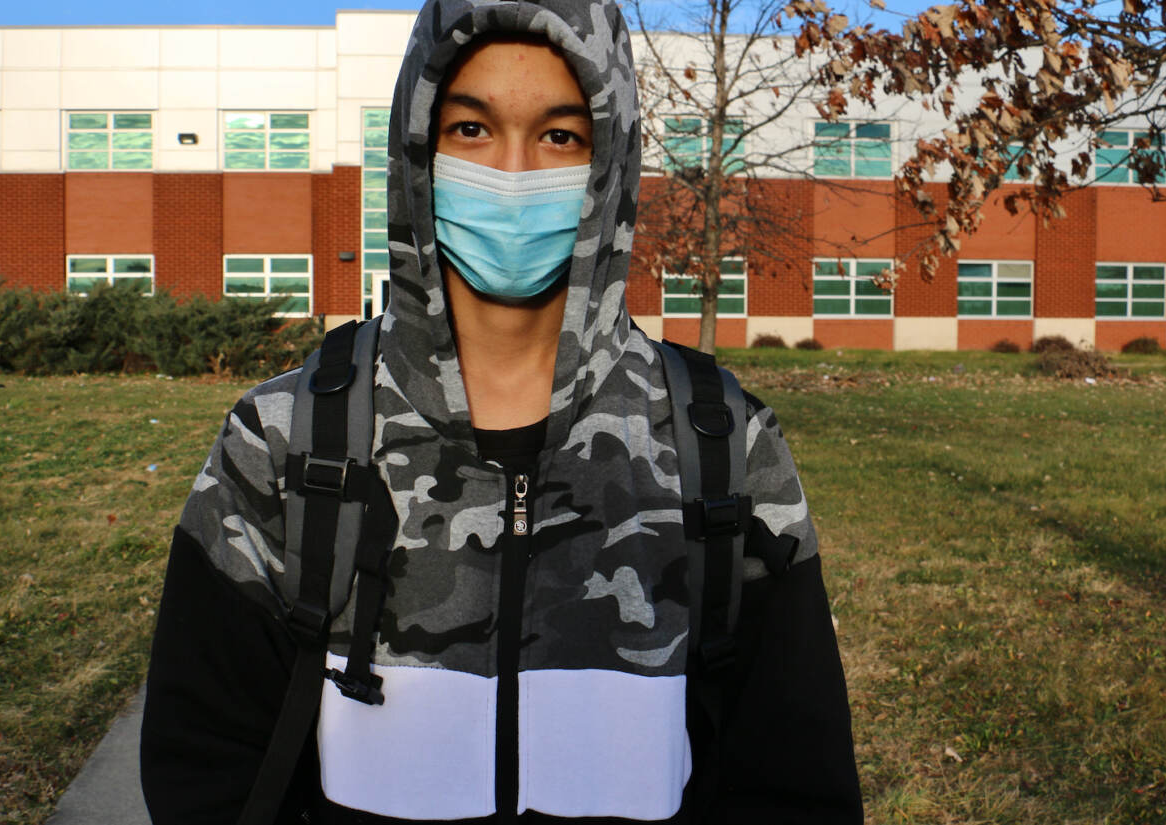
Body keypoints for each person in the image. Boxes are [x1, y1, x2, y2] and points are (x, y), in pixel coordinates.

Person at [139, 1, 862, 822]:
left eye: (560, 136)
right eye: (471, 130)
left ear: (610, 160)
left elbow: (795, 787)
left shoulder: (725, 448)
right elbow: (204, 775)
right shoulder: (282, 444)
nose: (513, 173)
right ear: (418, 148)